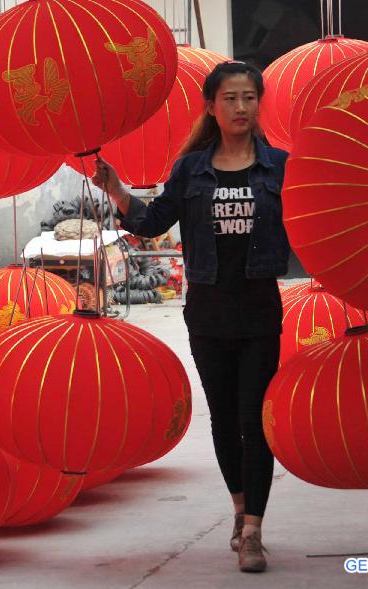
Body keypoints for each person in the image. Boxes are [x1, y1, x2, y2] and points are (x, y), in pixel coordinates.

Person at [92, 60, 289, 574]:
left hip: (259, 311)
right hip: (207, 313)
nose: (240, 107)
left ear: (257, 103)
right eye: (230, 98)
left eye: (249, 97)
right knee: (223, 419)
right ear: (212, 106)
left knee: (254, 419)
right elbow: (154, 221)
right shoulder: (191, 170)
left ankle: (254, 533)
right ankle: (239, 510)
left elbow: (312, 220)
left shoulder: (282, 167)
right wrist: (117, 191)